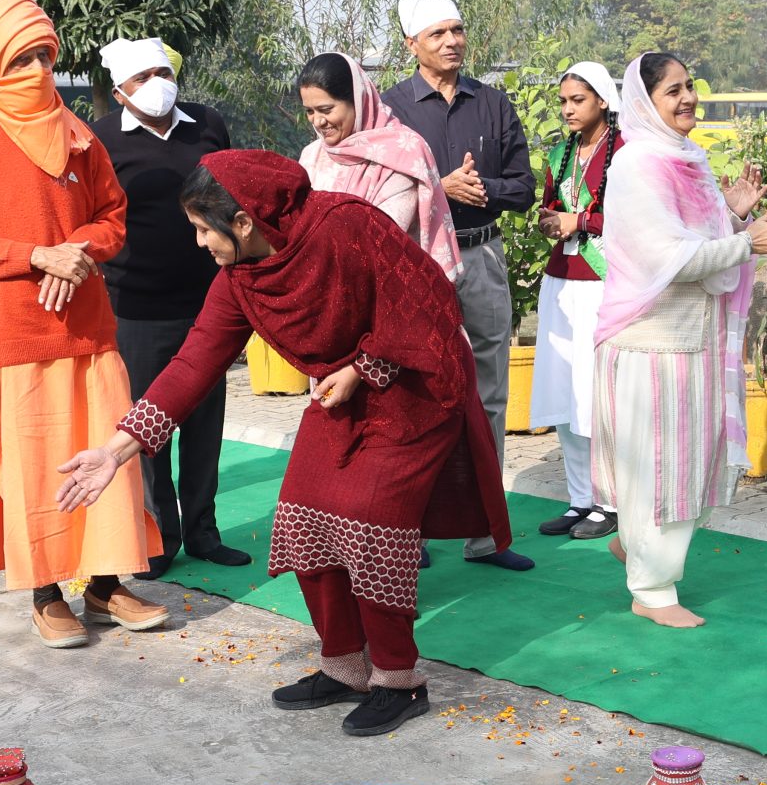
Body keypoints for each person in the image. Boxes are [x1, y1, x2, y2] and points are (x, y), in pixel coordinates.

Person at [56, 151, 513, 737]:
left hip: (415, 385)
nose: (199, 243)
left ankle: (400, 679)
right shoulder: (240, 278)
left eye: (203, 229)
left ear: (242, 222)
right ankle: (345, 665)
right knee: (301, 516)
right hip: (341, 392)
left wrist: (360, 368)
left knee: (368, 520)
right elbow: (195, 361)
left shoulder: (344, 224)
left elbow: (430, 308)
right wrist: (117, 449)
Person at [0, 0, 167, 647]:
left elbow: (112, 218)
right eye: (20, 58)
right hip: (9, 337)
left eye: (44, 56)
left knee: (107, 460)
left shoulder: (79, 134)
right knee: (32, 467)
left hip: (88, 328)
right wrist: (36, 255)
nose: (35, 71)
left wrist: (77, 254)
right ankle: (44, 592)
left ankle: (105, 584)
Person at [591, 52, 767, 628]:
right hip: (653, 345)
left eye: (690, 86)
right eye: (673, 91)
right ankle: (652, 588)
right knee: (661, 468)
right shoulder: (640, 166)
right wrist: (748, 242)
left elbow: (696, 240)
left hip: (693, 343)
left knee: (684, 464)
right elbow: (666, 258)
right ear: (646, 103)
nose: (688, 98)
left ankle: (637, 547)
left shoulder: (685, 157)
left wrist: (733, 218)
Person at [381, 0, 535, 571]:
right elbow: (374, 187)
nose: (451, 41)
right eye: (438, 32)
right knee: (413, 392)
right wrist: (437, 188)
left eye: (458, 30)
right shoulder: (389, 110)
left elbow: (523, 186)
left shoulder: (493, 104)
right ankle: (406, 530)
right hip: (418, 261)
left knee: (489, 391)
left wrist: (484, 190)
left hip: (482, 254)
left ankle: (486, 534)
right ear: (411, 44)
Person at [91, 33, 253, 580]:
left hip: (211, 301)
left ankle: (204, 530)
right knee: (148, 420)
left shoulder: (206, 123)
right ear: (119, 91)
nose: (159, 85)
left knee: (206, 422)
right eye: (143, 78)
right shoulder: (99, 141)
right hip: (134, 305)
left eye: (164, 72)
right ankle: (160, 536)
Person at [528, 61, 623, 541]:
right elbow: (553, 207)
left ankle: (610, 502)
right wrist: (553, 221)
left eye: (577, 100)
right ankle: (579, 499)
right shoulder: (561, 153)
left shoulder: (626, 153)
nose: (567, 109)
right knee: (564, 389)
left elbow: (634, 220)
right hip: (561, 281)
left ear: (603, 101)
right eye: (563, 100)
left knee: (596, 393)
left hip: (606, 284)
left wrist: (580, 224)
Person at [296, 51, 461, 279]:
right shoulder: (312, 156)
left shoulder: (402, 153)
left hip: (388, 291)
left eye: (326, 110)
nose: (318, 121)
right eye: (309, 112)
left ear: (358, 100)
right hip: (322, 290)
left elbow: (380, 238)